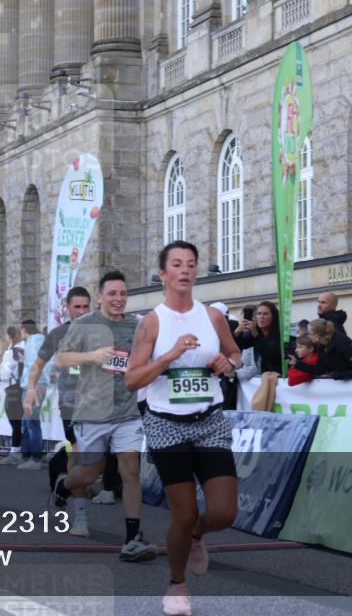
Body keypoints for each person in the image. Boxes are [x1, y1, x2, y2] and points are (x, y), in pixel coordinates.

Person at [125, 241, 242, 616]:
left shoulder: (213, 316)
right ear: (163, 274)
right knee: (185, 511)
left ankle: (196, 536)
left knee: (223, 513)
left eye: (191, 264)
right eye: (176, 264)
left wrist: (228, 363)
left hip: (209, 421)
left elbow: (236, 354)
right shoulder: (151, 322)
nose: (185, 270)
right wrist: (170, 355)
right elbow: (132, 379)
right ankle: (177, 585)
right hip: (165, 424)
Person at [51, 271, 158, 561]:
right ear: (99, 297)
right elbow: (61, 359)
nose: (118, 299)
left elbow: (148, 357)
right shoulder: (84, 325)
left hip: (127, 412)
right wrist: (92, 356)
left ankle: (132, 538)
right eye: (112, 294)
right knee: (89, 473)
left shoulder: (136, 326)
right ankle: (64, 485)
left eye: (123, 294)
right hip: (92, 412)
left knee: (130, 470)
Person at [23, 287, 93, 488]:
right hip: (70, 402)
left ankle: (76, 485)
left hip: (96, 401)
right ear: (67, 307)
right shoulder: (58, 334)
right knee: (76, 449)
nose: (82, 311)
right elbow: (38, 365)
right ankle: (72, 492)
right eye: (77, 307)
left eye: (86, 307)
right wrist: (31, 389)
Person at [17, 320, 48, 470]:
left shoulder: (34, 341)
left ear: (23, 329)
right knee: (27, 422)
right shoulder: (35, 341)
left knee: (31, 422)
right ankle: (26, 455)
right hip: (31, 385)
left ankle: (35, 458)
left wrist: (39, 383)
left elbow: (41, 363)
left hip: (33, 387)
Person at [0, 326, 25, 465]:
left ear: (8, 336)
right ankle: (20, 451)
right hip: (21, 387)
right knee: (20, 423)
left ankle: (15, 452)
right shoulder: (24, 349)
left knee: (15, 423)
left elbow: (5, 374)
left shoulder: (10, 352)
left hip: (12, 388)